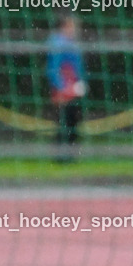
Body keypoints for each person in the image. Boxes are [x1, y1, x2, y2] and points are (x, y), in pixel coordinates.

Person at [46, 13, 86, 161]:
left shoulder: (72, 44)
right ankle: (61, 157)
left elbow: (78, 68)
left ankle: (70, 155)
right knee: (63, 122)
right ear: (65, 26)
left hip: (74, 88)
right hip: (63, 90)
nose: (75, 30)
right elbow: (53, 68)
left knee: (73, 121)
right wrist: (61, 87)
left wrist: (79, 83)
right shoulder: (57, 43)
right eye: (73, 26)